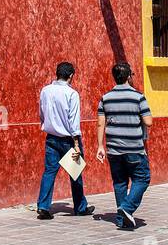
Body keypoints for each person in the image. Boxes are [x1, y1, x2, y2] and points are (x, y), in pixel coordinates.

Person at [95, 61, 152, 230]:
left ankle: (121, 219)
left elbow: (100, 124)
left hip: (113, 148)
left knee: (119, 183)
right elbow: (148, 122)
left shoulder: (105, 98)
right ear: (129, 76)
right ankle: (127, 208)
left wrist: (100, 146)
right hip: (134, 147)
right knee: (142, 179)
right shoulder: (138, 97)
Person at [35, 61, 94, 219]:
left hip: (51, 138)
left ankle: (43, 206)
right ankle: (81, 207)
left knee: (49, 172)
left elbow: (41, 111)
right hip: (68, 139)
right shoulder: (72, 94)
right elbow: (73, 120)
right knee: (75, 173)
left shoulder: (45, 91)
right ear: (71, 76)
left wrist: (46, 124)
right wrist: (76, 142)